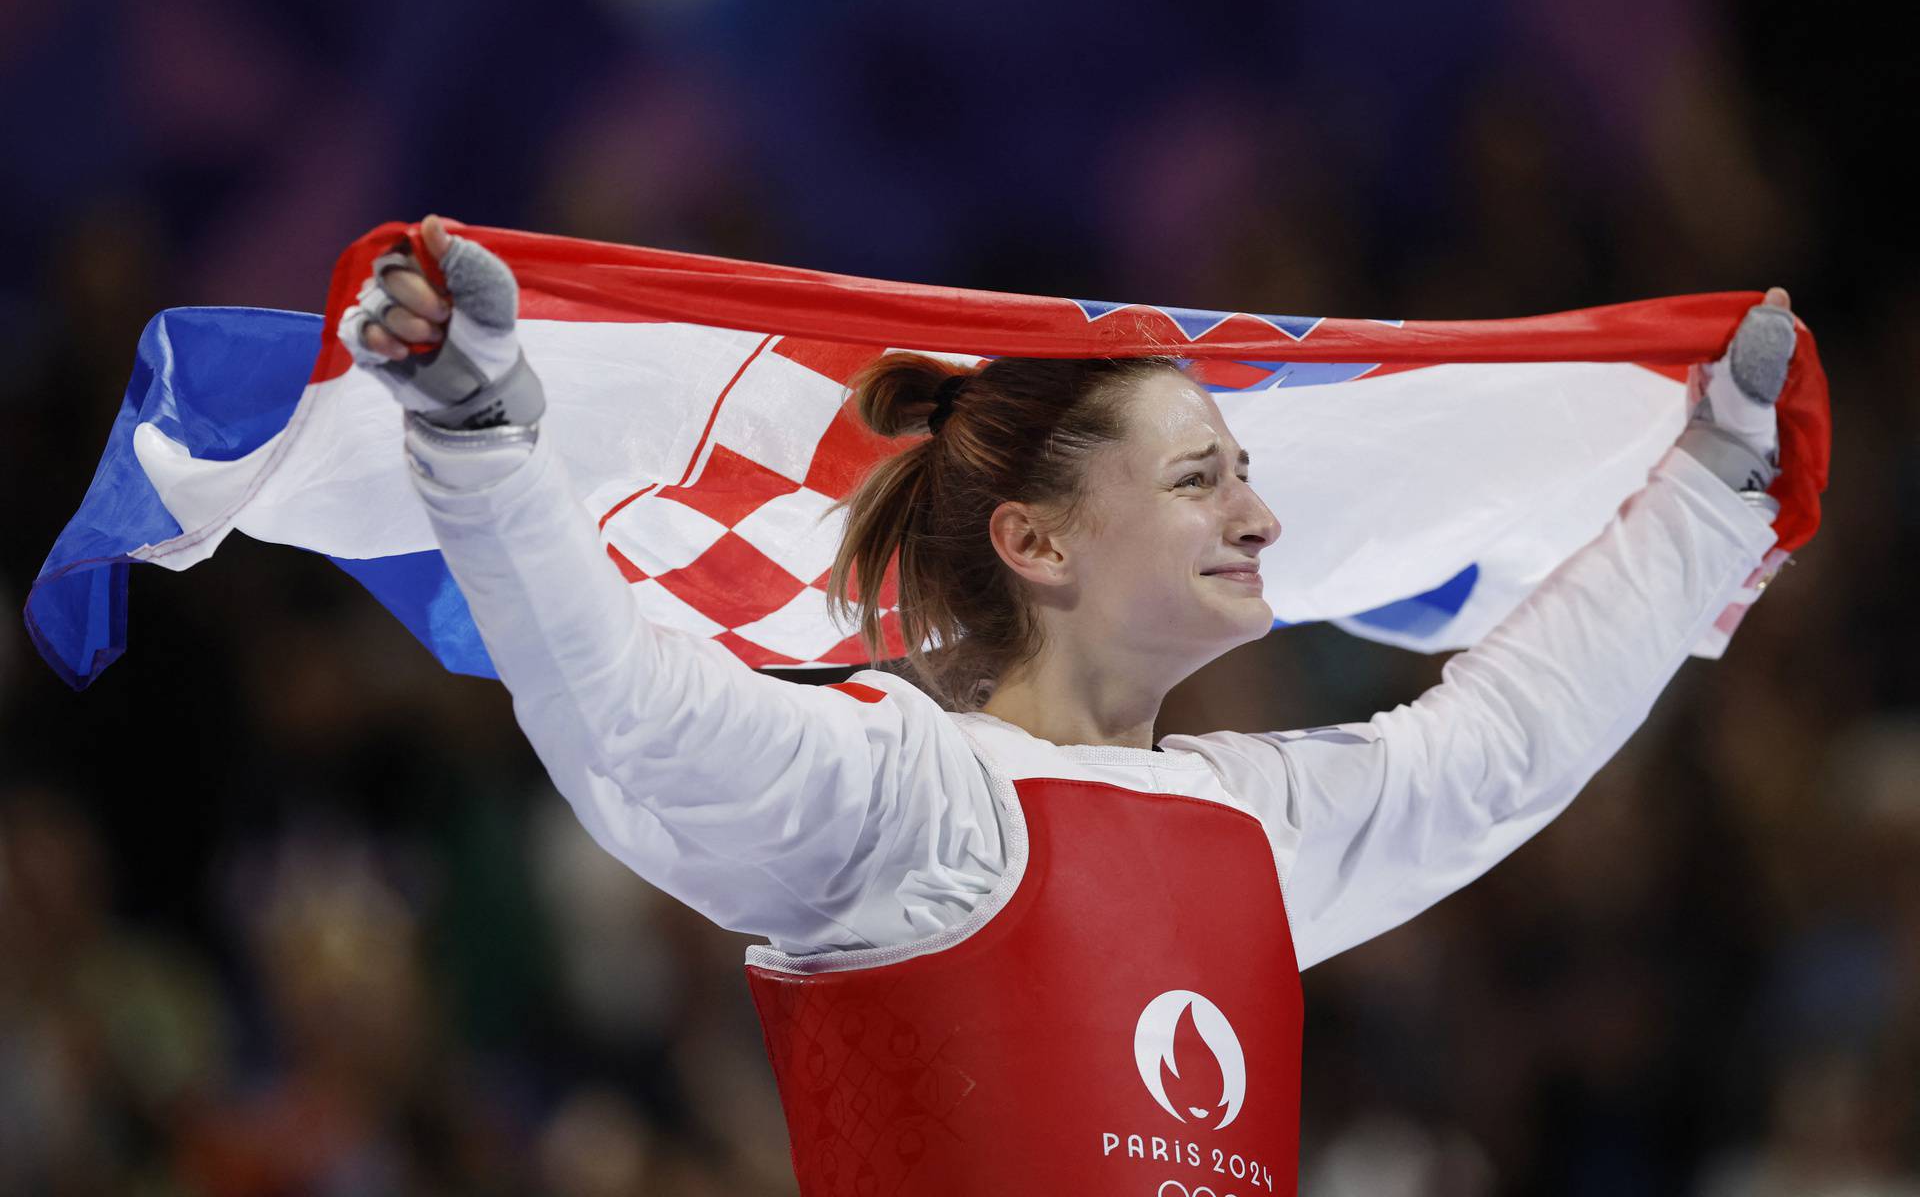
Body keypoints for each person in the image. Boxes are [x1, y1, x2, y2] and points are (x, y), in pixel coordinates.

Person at [343, 215, 1798, 1196]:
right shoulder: (910, 804)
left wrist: (1720, 490)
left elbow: (1502, 755)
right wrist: (481, 444)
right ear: (1035, 544)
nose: (1261, 518)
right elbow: (631, 717)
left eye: (1242, 472)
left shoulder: (1258, 829)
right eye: (1198, 480)